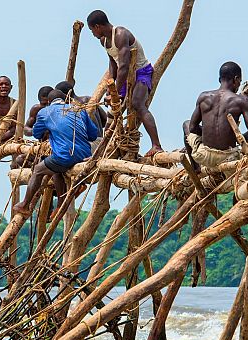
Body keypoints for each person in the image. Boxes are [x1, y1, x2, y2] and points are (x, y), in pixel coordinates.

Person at [87, 10, 162, 157]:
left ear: (97, 26)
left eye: (92, 30)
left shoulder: (121, 35)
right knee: (113, 112)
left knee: (137, 104)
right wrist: (111, 90)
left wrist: (115, 91)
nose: (93, 34)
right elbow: (113, 65)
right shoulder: (104, 41)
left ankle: (156, 145)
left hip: (141, 73)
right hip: (125, 77)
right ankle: (101, 152)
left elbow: (124, 67)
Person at [12, 89, 98, 217]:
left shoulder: (45, 112)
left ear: (48, 102)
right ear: (65, 100)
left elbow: (37, 134)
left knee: (38, 170)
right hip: (85, 154)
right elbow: (93, 135)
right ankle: (60, 205)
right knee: (55, 169)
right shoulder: (79, 109)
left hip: (65, 155)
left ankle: (25, 205)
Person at [184, 61, 248, 170]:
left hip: (204, 156)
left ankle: (196, 169)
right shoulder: (241, 101)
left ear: (220, 79)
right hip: (228, 157)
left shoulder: (204, 97)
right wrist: (236, 139)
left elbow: (193, 128)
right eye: (239, 81)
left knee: (186, 124)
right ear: (236, 79)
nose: (238, 85)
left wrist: (206, 134)